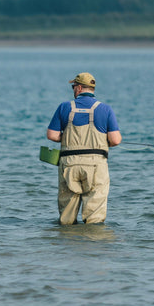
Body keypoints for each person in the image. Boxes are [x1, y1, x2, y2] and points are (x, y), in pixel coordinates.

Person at [47, 72, 122, 225]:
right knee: (95, 217)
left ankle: (66, 246)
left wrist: (69, 139)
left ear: (79, 88)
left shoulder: (64, 107)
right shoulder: (105, 109)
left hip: (69, 165)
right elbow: (115, 140)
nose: (73, 89)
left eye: (73, 86)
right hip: (96, 165)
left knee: (66, 218)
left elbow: (52, 135)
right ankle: (92, 245)